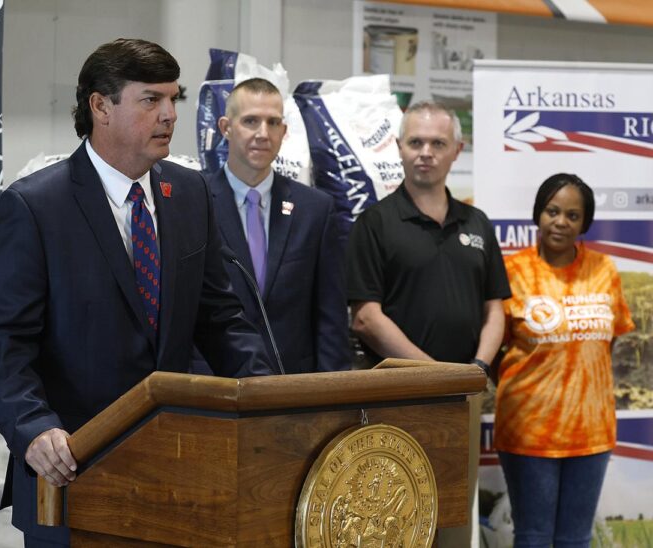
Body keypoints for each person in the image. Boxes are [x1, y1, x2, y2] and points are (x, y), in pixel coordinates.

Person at [0, 39, 272, 547]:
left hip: (173, 470)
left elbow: (220, 318)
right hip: (71, 473)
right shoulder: (34, 206)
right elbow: (5, 340)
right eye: (150, 100)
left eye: (174, 100)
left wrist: (268, 394)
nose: (169, 115)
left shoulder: (190, 193)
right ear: (100, 106)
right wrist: (33, 428)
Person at [346, 101, 511, 546]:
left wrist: (475, 368)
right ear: (398, 147)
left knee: (454, 519)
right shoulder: (375, 223)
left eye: (438, 143)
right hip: (397, 395)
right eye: (415, 142)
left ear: (457, 150)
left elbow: (495, 308)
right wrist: (435, 375)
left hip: (464, 394)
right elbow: (365, 317)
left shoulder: (476, 223)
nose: (426, 152)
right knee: (394, 518)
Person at [495, 174, 634, 547]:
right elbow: (493, 347)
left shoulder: (604, 270)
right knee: (534, 537)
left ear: (583, 223)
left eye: (572, 215)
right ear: (538, 214)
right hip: (528, 431)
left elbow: (608, 341)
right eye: (552, 211)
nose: (561, 221)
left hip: (591, 434)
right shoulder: (512, 271)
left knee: (576, 539)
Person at [192, 77, 350, 374]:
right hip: (215, 384)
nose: (263, 133)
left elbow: (331, 317)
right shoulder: (194, 202)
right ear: (226, 128)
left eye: (273, 122)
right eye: (250, 121)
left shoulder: (315, 209)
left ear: (284, 131)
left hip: (291, 386)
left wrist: (334, 395)